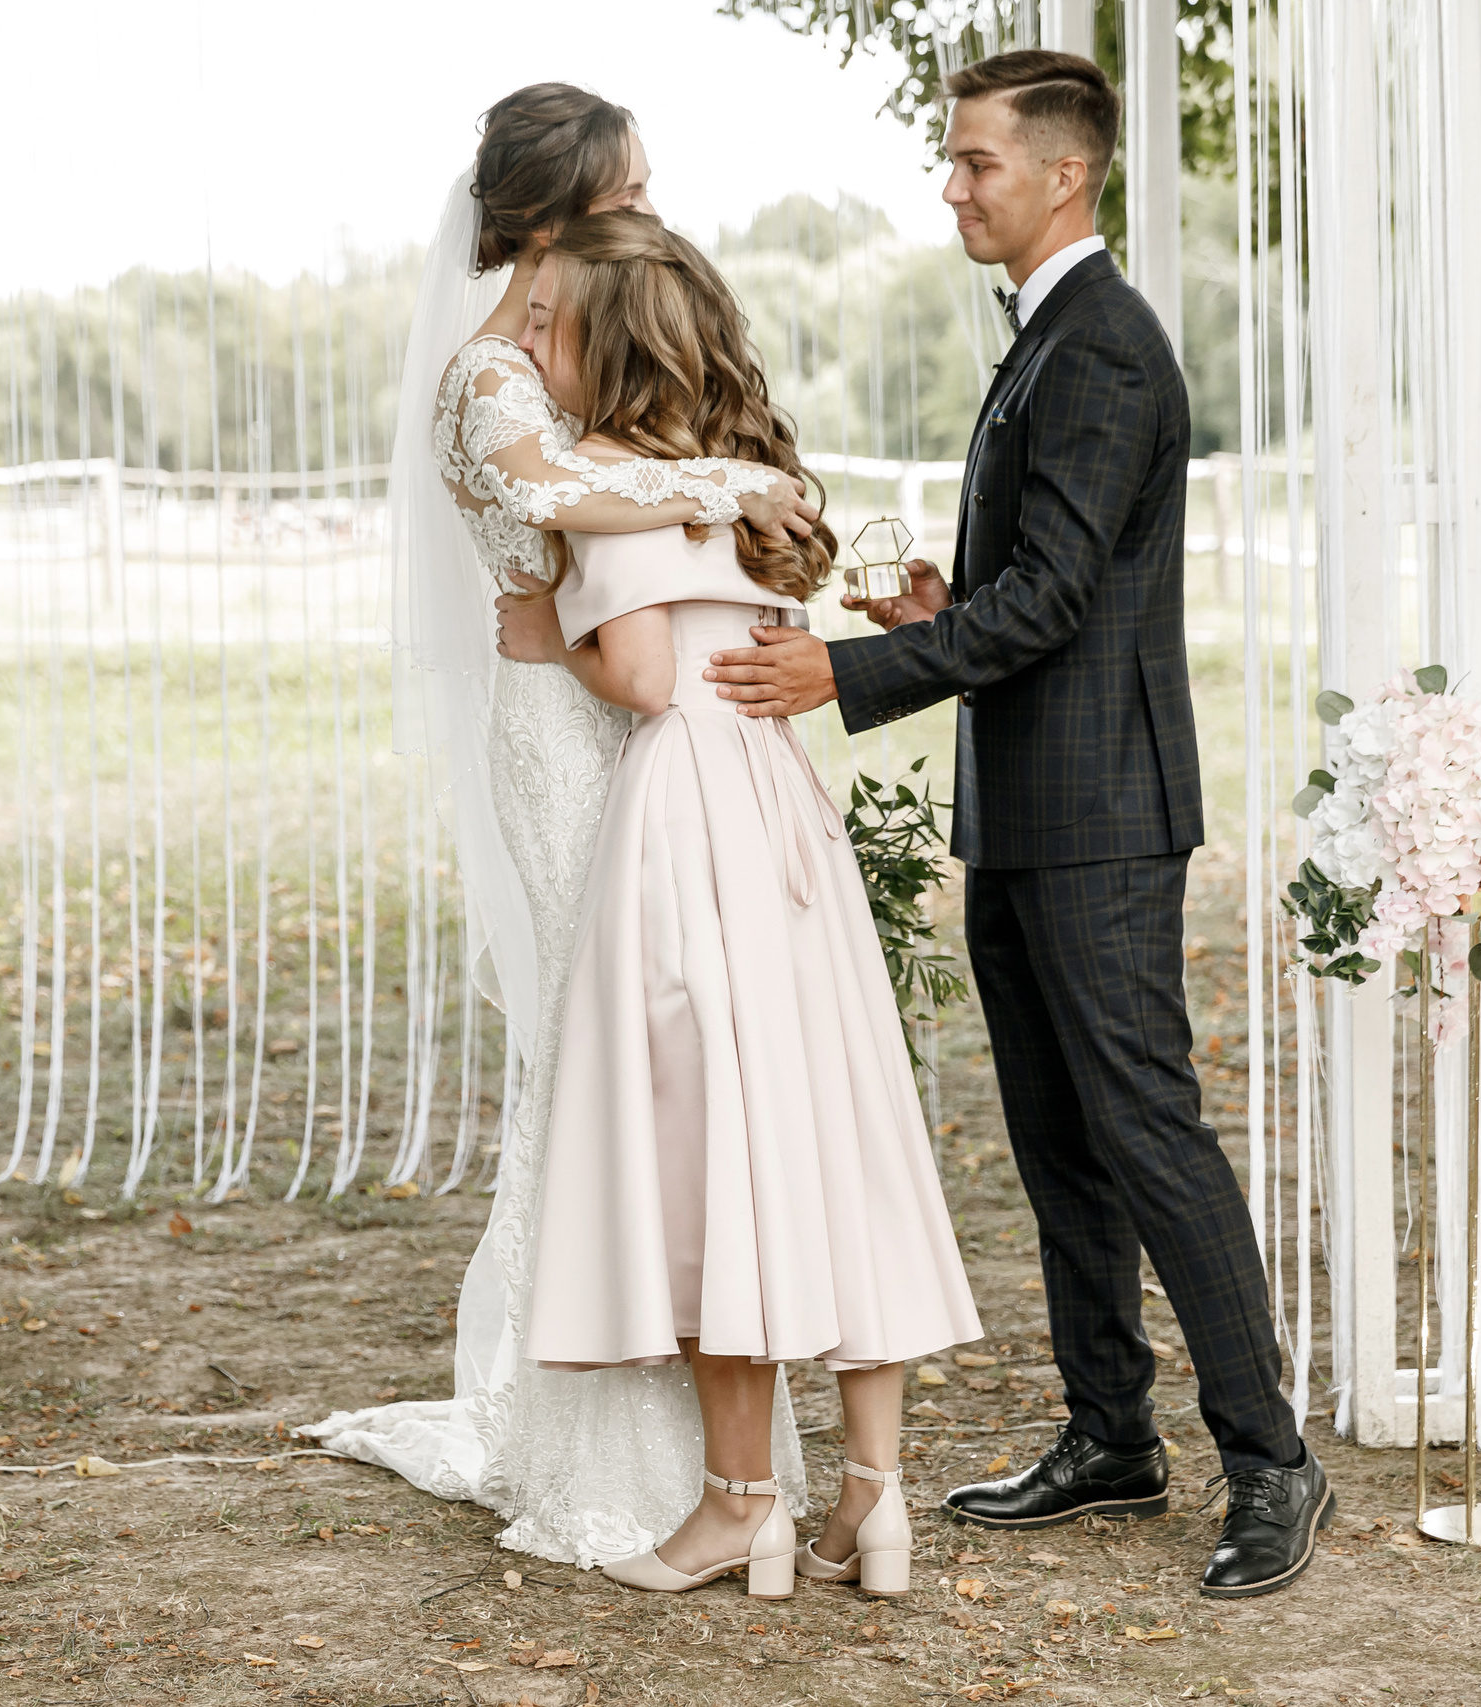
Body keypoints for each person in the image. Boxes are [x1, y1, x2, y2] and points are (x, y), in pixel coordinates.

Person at [696, 50, 1332, 1600]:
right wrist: (942, 610)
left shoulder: (1103, 344)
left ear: (1064, 174)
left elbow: (1056, 602)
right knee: (1061, 1145)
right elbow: (1049, 586)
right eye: (953, 158)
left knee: (1148, 1134)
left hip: (1102, 815)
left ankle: (1272, 1462)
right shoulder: (1049, 339)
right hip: (1031, 805)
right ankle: (1111, 1438)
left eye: (977, 160)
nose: (953, 185)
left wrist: (841, 671)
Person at [302, 84, 824, 1570]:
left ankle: (715, 1448)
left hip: (636, 708)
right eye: (627, 188)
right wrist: (735, 481)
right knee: (605, 1050)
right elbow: (556, 491)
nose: (649, 208)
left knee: (674, 1055)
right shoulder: (489, 381)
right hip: (564, 733)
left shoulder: (576, 345)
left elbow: (625, 497)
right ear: (553, 208)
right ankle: (603, 1442)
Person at [497, 211, 980, 1600]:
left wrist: (556, 641)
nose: (531, 344)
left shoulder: (598, 479)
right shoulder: (758, 476)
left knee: (713, 1144)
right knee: (830, 1126)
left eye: (550, 325)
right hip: (781, 808)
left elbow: (650, 677)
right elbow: (763, 634)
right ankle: (873, 1502)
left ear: (611, 345)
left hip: (687, 815)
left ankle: (739, 1505)